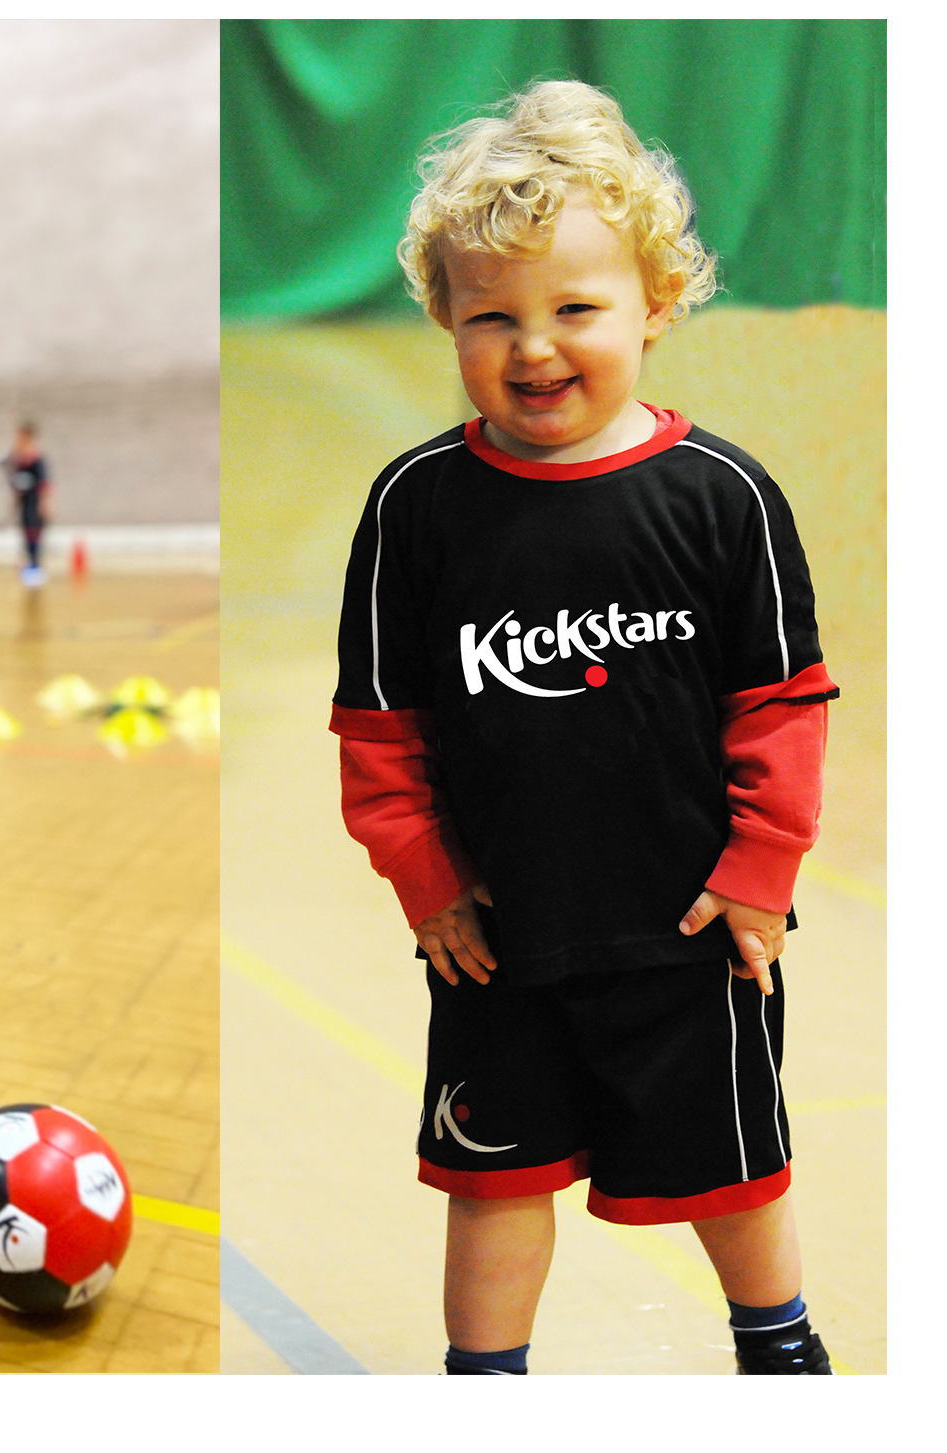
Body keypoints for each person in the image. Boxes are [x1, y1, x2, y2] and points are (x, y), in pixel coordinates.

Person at [329, 80, 837, 1375]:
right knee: (489, 1181)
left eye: (574, 309)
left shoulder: (720, 498)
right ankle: (482, 1381)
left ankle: (778, 1353)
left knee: (733, 1171)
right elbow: (378, 734)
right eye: (488, 314)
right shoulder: (414, 510)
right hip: (497, 941)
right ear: (443, 315)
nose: (532, 346)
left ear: (656, 305)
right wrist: (425, 882)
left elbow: (778, 708)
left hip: (687, 934)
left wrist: (758, 878)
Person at [1, 421, 52, 587]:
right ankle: (28, 568)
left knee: (34, 535)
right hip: (23, 503)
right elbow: (13, 480)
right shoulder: (18, 459)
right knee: (24, 535)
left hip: (34, 502)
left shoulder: (37, 458)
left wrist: (45, 504)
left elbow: (46, 485)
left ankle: (36, 568)